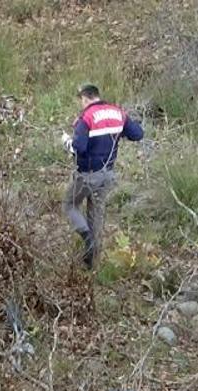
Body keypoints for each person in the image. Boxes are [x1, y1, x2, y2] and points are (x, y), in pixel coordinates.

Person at [62, 84, 143, 268]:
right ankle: (92, 262)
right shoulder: (118, 112)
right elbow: (138, 134)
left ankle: (86, 237)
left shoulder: (86, 117)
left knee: (69, 204)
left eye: (81, 100)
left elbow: (78, 148)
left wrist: (66, 142)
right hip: (108, 175)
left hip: (88, 175)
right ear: (98, 96)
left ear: (85, 98)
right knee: (95, 213)